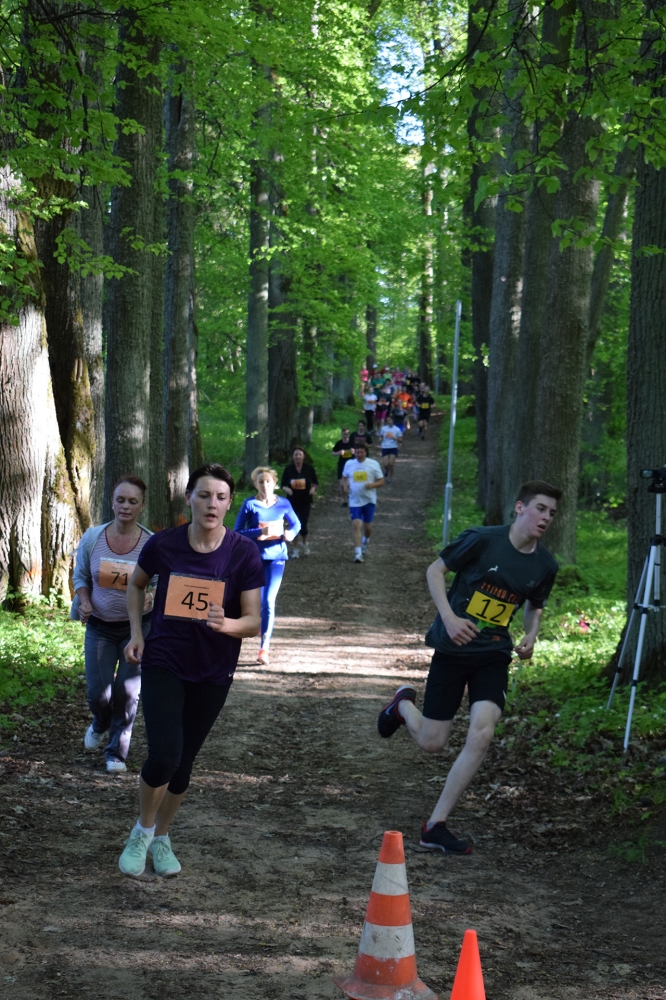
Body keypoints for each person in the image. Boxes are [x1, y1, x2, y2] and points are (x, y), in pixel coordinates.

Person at [377, 481, 561, 854]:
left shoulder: (545, 564)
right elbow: (435, 571)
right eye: (540, 508)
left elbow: (534, 605)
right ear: (520, 507)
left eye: (552, 513)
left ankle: (435, 825)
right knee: (433, 743)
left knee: (482, 733)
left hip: (494, 654)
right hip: (454, 648)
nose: (546, 518)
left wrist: (532, 634)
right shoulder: (481, 539)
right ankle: (402, 707)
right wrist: (449, 618)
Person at [118, 463, 265, 878]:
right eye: (204, 495)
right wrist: (137, 633)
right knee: (165, 754)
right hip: (165, 660)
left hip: (213, 669)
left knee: (183, 763)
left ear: (230, 503)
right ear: (189, 499)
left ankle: (162, 837)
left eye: (221, 497)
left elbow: (253, 621)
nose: (212, 504)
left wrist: (226, 624)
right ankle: (142, 830)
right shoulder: (165, 544)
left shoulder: (243, 552)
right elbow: (136, 584)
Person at [72, 476, 153, 774]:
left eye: (133, 501)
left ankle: (116, 753)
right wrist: (84, 600)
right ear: (112, 502)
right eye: (121, 500)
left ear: (142, 505)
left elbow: (161, 580)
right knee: (99, 693)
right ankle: (101, 722)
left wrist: (153, 595)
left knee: (128, 692)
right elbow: (81, 575)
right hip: (100, 626)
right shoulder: (93, 537)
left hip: (137, 629)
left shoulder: (150, 543)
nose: (126, 506)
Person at [234, 467, 300, 665]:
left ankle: (264, 647)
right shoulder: (250, 504)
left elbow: (296, 524)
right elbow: (238, 532)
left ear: (274, 483)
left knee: (268, 602)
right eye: (261, 482)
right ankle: (255, 626)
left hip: (276, 558)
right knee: (255, 602)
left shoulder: (284, 504)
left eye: (268, 481)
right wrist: (259, 533)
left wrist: (290, 534)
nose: (265, 485)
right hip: (253, 559)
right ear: (256, 484)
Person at [342, 441, 385, 563]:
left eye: (361, 452)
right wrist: (345, 486)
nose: (359, 454)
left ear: (366, 452)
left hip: (369, 500)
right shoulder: (349, 464)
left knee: (367, 526)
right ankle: (358, 553)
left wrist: (372, 485)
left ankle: (366, 540)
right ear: (354, 453)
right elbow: (344, 477)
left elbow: (381, 481)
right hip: (354, 500)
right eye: (357, 452)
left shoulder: (373, 464)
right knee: (356, 524)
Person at [281, 447, 318, 557]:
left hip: (305, 499)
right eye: (296, 454)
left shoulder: (309, 469)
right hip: (292, 500)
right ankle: (295, 548)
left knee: (303, 524)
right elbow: (283, 484)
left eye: (300, 454)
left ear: (303, 456)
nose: (298, 457)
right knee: (293, 523)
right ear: (293, 457)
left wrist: (313, 489)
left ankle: (305, 543)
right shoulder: (288, 469)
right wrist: (287, 489)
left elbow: (315, 482)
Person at [332, 428, 355, 506]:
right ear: (341, 434)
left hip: (351, 465)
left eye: (347, 434)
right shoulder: (339, 443)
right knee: (341, 484)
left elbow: (359, 452)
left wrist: (354, 452)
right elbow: (333, 453)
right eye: (344, 434)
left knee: (349, 484)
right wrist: (338, 453)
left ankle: (349, 497)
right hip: (342, 465)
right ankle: (344, 501)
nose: (345, 435)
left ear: (349, 434)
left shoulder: (352, 442)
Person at [378, 414, 403, 483]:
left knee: (391, 464)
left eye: (390, 420)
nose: (388, 421)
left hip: (393, 447)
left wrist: (395, 438)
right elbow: (381, 436)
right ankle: (386, 470)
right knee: (386, 464)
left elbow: (401, 440)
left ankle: (389, 477)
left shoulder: (397, 429)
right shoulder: (383, 429)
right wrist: (380, 439)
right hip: (385, 447)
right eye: (387, 420)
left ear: (393, 420)